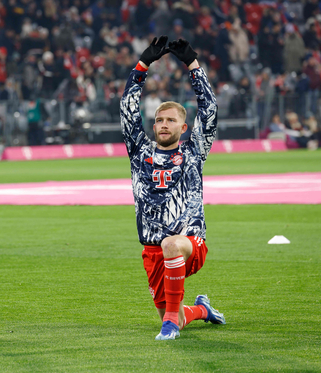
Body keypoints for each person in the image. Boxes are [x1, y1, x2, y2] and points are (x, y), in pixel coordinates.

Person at [120, 36, 225, 340]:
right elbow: (128, 108)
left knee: (172, 245)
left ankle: (169, 324)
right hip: (152, 250)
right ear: (153, 127)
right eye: (159, 120)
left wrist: (192, 63)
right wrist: (142, 65)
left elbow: (209, 108)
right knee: (178, 315)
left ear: (183, 127)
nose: (164, 124)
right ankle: (200, 310)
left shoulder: (194, 151)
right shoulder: (140, 152)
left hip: (190, 242)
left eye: (171, 120)